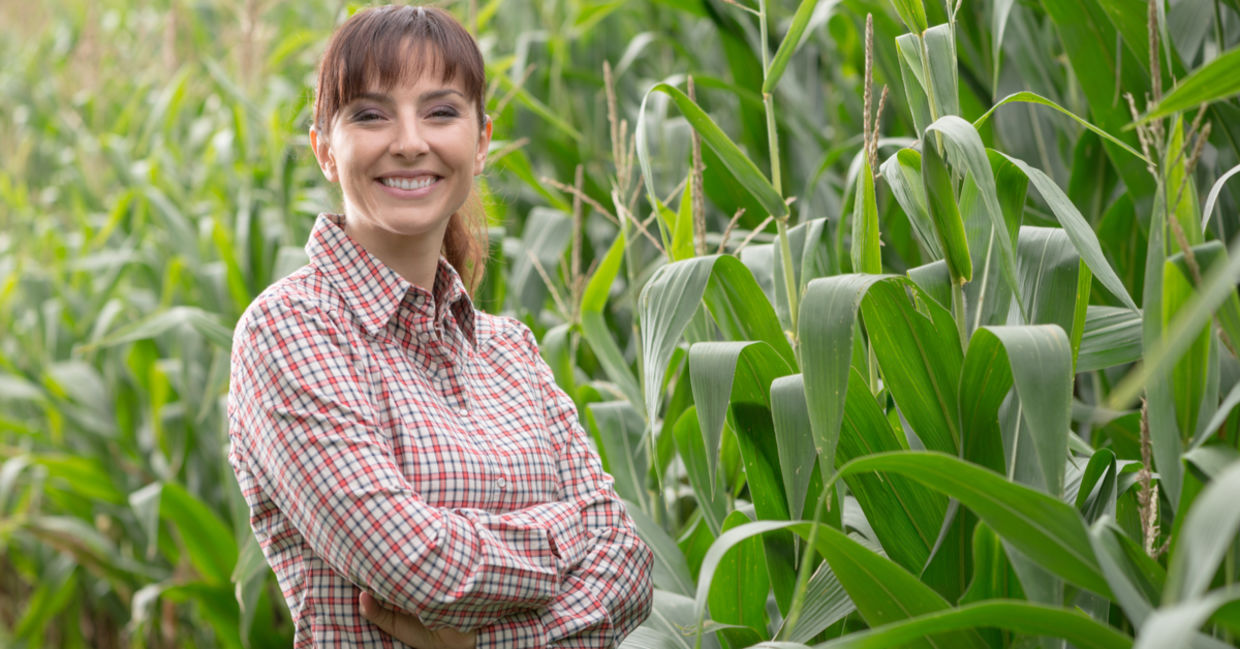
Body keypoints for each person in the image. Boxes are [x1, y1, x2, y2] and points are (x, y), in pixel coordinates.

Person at [226, 5, 653, 647]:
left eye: (440, 111)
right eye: (370, 114)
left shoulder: (510, 352)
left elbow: (630, 565)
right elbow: (411, 564)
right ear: (324, 150)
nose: (409, 141)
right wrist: (571, 534)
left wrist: (484, 645)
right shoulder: (289, 330)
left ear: (480, 143)